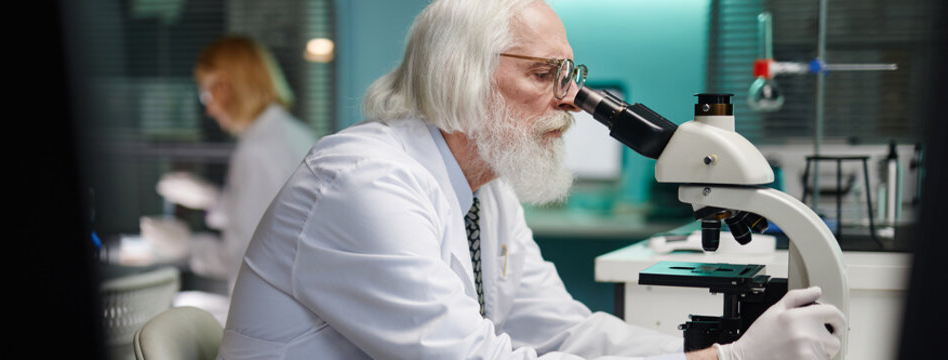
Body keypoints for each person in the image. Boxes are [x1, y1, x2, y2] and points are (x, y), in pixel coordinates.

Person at [218, 1, 846, 359]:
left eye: (570, 74)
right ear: (457, 74)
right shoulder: (363, 184)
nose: (571, 101)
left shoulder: (483, 191)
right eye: (545, 74)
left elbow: (564, 330)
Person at [155, 35, 316, 297]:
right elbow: (267, 216)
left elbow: (241, 257)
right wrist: (214, 199)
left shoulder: (256, 150)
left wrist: (186, 246)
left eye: (206, 92)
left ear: (227, 86)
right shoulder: (290, 132)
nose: (208, 109)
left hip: (270, 302)